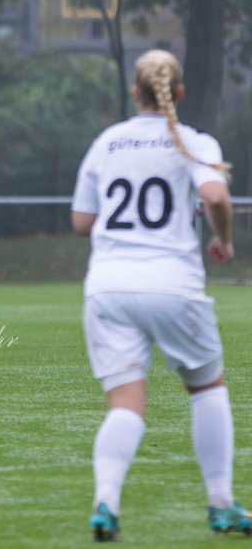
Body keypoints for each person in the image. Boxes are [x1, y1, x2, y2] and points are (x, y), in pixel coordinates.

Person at [71, 50, 250, 542]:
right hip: (172, 284)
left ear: (134, 92)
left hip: (108, 286)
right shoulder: (192, 141)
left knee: (126, 404)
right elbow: (215, 196)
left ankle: (105, 503)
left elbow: (81, 221)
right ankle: (221, 504)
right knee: (207, 388)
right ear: (181, 92)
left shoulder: (107, 142)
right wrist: (225, 240)